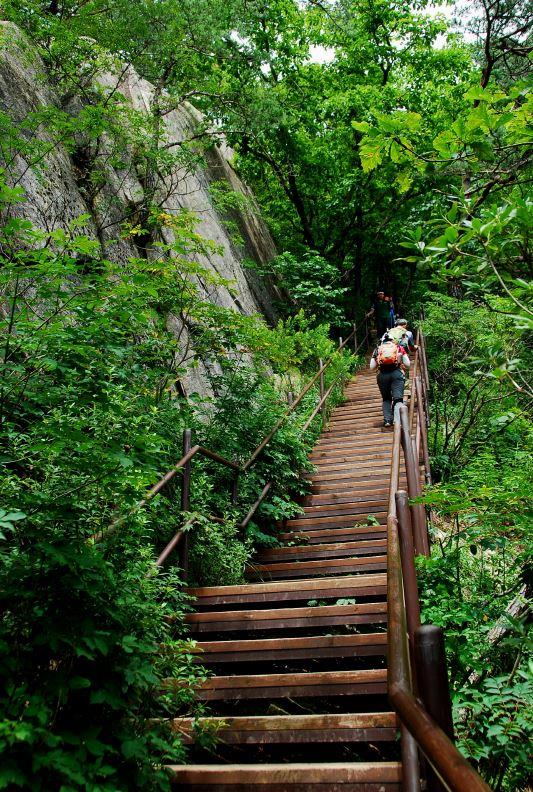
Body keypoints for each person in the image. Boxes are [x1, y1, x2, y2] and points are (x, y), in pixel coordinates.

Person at [370, 334, 410, 427]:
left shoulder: (378, 349)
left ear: (382, 341)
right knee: (398, 399)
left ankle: (387, 420)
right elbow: (408, 364)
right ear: (393, 340)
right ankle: (397, 421)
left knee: (386, 398)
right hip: (396, 374)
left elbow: (371, 367)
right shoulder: (399, 348)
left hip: (382, 375)